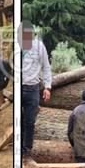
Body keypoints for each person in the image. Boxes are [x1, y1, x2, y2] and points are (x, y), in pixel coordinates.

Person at [20, 22, 52, 158]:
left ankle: (27, 149)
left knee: (30, 121)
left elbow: (46, 67)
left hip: (33, 88)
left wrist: (47, 87)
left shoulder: (39, 47)